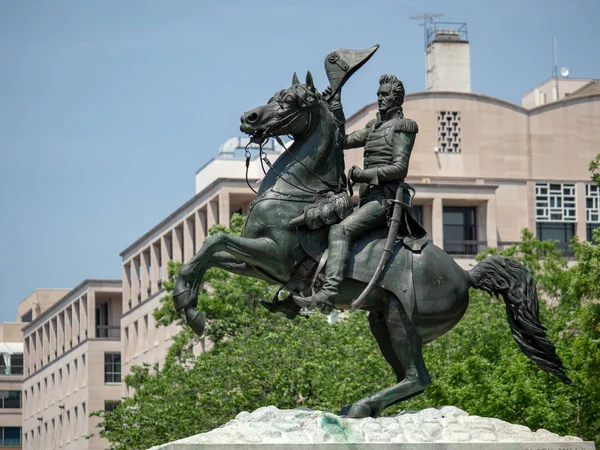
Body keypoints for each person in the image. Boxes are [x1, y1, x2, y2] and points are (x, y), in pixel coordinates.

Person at [295, 74, 419, 311]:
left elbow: (400, 167)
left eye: (385, 95)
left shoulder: (403, 127)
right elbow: (341, 140)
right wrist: (336, 106)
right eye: (378, 94)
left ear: (397, 98)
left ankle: (328, 293)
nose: (380, 98)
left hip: (385, 200)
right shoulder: (374, 127)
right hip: (367, 199)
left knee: (340, 229)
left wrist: (364, 175)